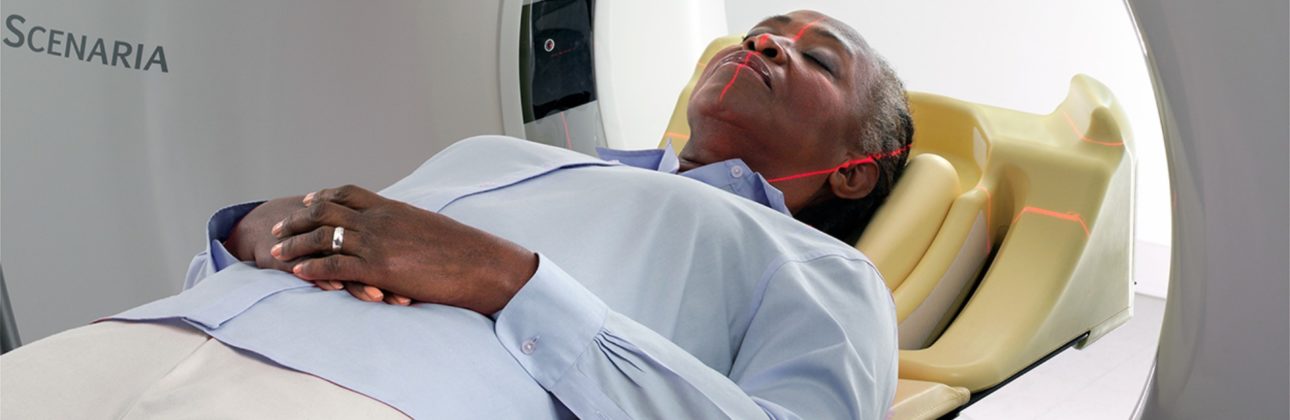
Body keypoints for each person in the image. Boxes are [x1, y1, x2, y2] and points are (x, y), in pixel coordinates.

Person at [0, 10, 911, 419]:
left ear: (855, 176)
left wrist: (506, 282)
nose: (766, 45)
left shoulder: (824, 273)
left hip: (365, 402)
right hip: (139, 337)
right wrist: (254, 235)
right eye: (762, 31)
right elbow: (345, 254)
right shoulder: (506, 155)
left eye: (818, 59)